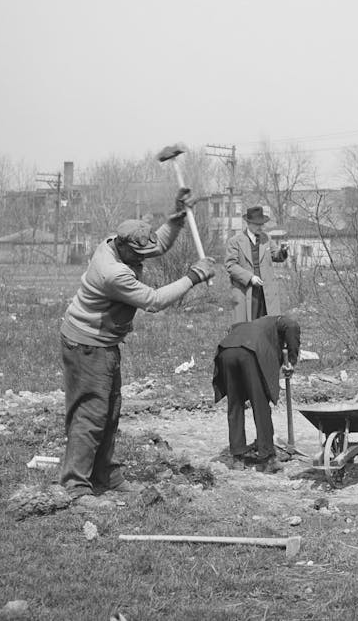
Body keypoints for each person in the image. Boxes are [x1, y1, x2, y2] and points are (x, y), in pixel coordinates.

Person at [58, 190, 215, 505]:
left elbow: (158, 242)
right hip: (86, 345)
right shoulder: (112, 272)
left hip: (104, 342)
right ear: (124, 246)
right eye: (139, 254)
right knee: (90, 414)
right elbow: (154, 301)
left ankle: (104, 474)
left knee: (109, 412)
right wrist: (193, 277)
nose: (145, 258)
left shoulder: (120, 244)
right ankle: (75, 485)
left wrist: (177, 215)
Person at [213, 314, 301, 474]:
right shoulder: (282, 321)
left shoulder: (252, 324)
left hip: (226, 351)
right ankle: (267, 459)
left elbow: (230, 329)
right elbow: (293, 326)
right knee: (260, 405)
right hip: (249, 352)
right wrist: (292, 361)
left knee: (235, 404)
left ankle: (238, 457)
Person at [224, 205, 289, 323]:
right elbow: (231, 265)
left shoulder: (266, 238)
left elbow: (276, 256)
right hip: (245, 290)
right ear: (248, 223)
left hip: (266, 291)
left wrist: (283, 251)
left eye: (262, 224)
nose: (261, 227)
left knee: (268, 324)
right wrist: (250, 278)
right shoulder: (235, 241)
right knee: (246, 327)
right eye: (258, 224)